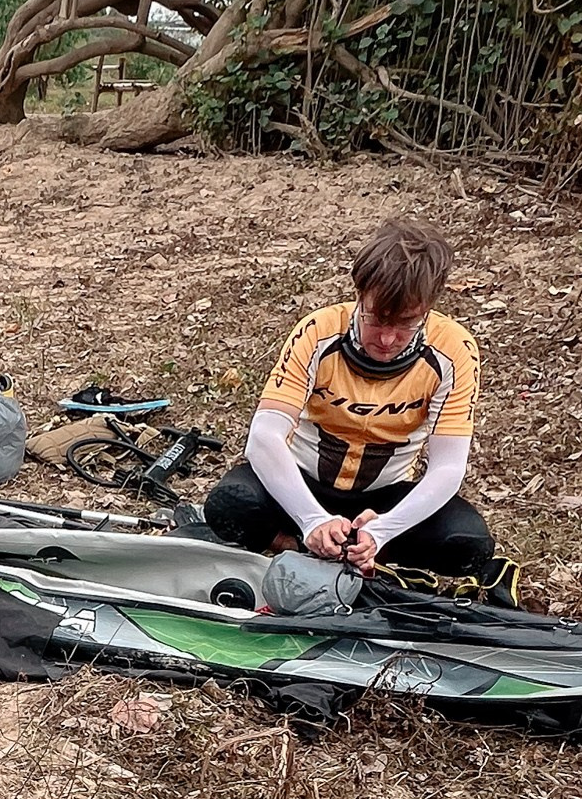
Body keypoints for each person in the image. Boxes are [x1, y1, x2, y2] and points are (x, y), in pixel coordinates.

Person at [203, 215, 494, 582]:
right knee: (230, 503)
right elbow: (263, 437)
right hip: (302, 482)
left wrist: (384, 528)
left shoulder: (454, 349)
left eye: (406, 323)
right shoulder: (318, 331)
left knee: (469, 543)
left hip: (383, 498)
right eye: (376, 319)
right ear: (359, 294)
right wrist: (311, 519)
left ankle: (361, 548)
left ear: (429, 308)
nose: (387, 339)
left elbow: (448, 467)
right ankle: (305, 543)